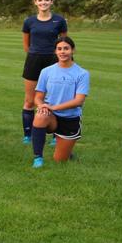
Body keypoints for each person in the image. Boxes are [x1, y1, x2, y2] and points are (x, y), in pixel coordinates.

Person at [30, 36, 89, 168]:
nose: (63, 52)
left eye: (66, 48)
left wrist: (54, 107)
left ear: (73, 50)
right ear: (55, 51)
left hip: (70, 118)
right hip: (52, 117)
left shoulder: (82, 73)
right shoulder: (46, 71)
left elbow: (79, 101)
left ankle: (67, 151)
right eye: (59, 49)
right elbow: (38, 97)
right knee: (40, 115)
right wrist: (41, 106)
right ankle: (38, 158)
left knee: (60, 161)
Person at [20, 0, 68, 143]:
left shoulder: (59, 21)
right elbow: (26, 45)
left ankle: (56, 135)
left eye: (46, 0)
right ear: (35, 2)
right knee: (30, 100)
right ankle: (28, 134)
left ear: (52, 1)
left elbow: (63, 44)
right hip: (33, 60)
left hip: (53, 61)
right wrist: (36, 54)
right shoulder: (29, 21)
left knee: (55, 99)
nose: (43, 3)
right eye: (40, 0)